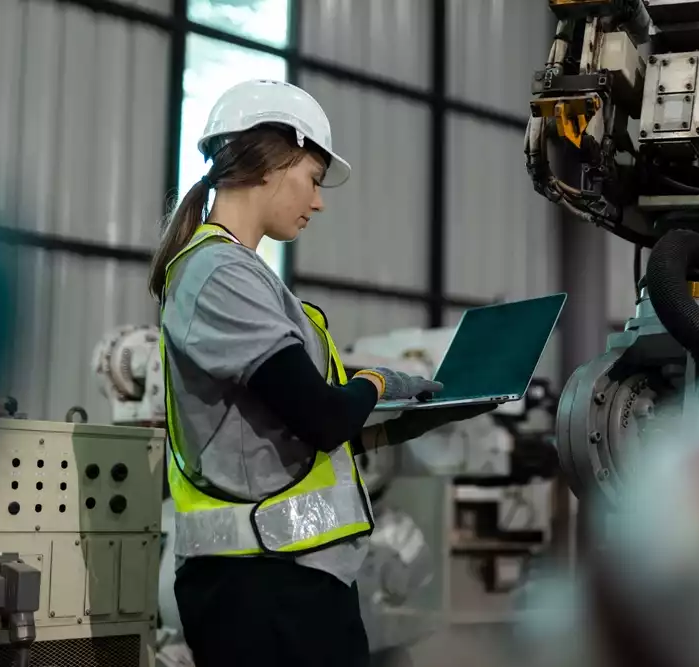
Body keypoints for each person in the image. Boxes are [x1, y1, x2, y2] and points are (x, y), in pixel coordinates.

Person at [148, 79, 491, 667]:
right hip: (261, 589)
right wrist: (378, 384)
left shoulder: (240, 274)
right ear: (270, 161)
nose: (319, 200)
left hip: (285, 580)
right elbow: (320, 415)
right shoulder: (219, 274)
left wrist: (399, 424)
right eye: (312, 178)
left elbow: (288, 432)